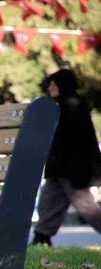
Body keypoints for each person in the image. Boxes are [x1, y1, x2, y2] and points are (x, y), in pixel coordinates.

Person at [32, 69, 101, 246]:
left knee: (86, 206)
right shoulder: (58, 105)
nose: (50, 87)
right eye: (50, 84)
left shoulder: (71, 104)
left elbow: (71, 139)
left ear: (63, 85)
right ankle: (42, 237)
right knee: (49, 202)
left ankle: (42, 237)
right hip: (60, 167)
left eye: (54, 84)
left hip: (74, 168)